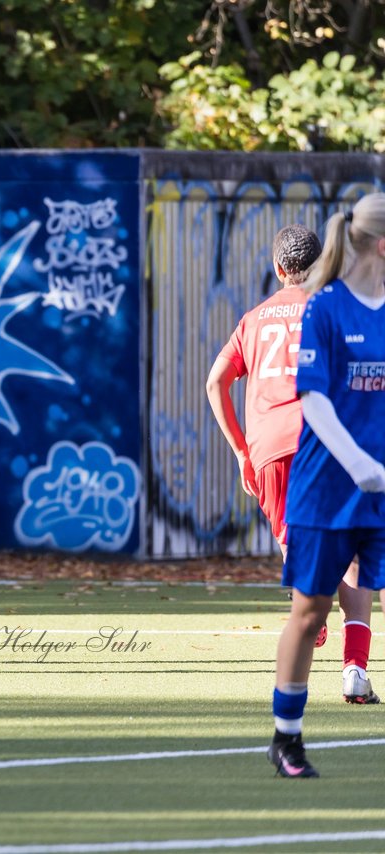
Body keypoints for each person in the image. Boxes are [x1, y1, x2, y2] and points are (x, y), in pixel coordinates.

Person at [206, 224, 379, 705]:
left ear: (278, 269)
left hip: (268, 451)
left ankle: (311, 608)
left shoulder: (253, 318)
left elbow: (215, 382)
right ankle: (355, 670)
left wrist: (242, 452)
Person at [265, 196, 385, 778]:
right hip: (327, 487)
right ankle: (286, 737)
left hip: (379, 487)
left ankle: (357, 671)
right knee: (310, 612)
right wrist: (362, 465)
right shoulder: (326, 307)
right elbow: (312, 398)